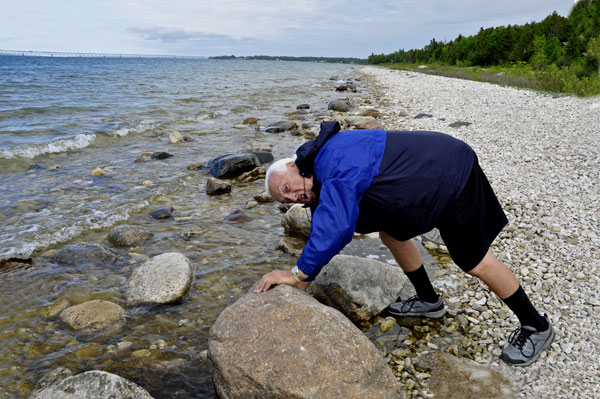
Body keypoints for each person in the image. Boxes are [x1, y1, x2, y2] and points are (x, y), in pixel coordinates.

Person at [255, 121, 554, 367]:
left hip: (450, 174)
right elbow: (325, 228)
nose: (294, 198)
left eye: (287, 189)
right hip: (428, 174)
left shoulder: (333, 160)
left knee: (473, 260)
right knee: (392, 234)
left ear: (295, 166)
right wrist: (298, 290)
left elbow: (337, 227)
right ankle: (428, 301)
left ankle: (536, 326)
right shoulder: (318, 173)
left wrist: (296, 273)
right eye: (286, 201)